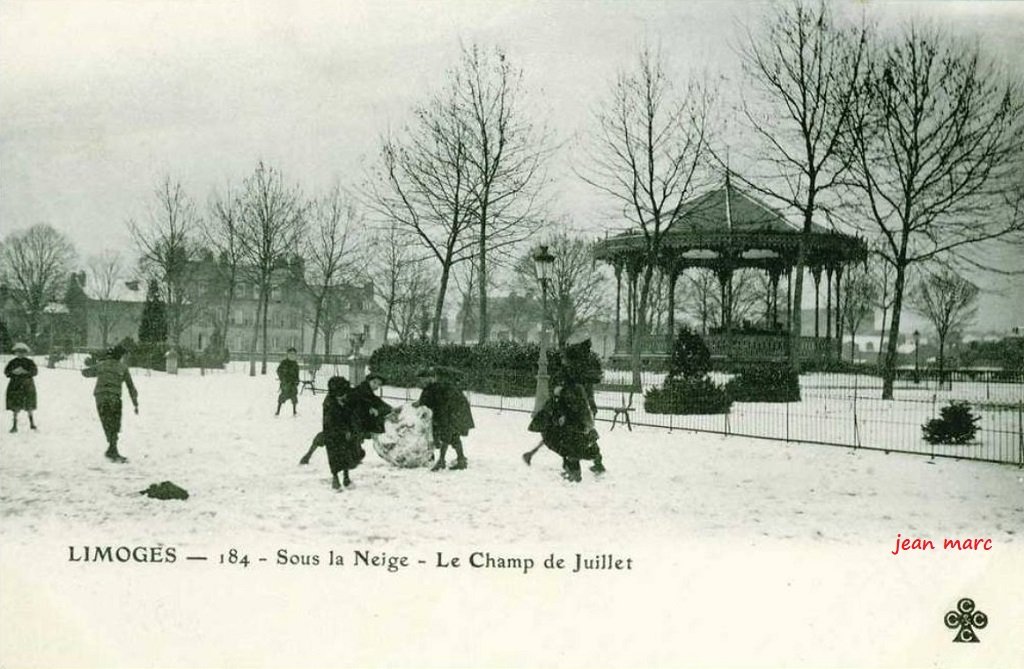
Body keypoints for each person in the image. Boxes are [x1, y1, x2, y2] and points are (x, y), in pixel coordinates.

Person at [528, 375, 601, 483]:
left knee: (571, 448)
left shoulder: (570, 394)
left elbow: (573, 410)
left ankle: (576, 474)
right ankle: (589, 465)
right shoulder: (575, 392)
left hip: (576, 428)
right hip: (578, 427)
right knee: (574, 447)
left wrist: (564, 418)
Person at [81, 344, 139, 463]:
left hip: (100, 396)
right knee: (115, 422)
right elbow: (130, 386)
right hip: (114, 397)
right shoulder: (123, 368)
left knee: (106, 421)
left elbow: (86, 373)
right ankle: (113, 449)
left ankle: (112, 448)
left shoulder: (102, 365)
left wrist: (89, 364)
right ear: (120, 356)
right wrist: (135, 403)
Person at [414, 367, 474, 471]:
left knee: (447, 434)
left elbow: (437, 405)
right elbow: (425, 401)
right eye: (419, 380)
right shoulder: (434, 387)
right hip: (456, 411)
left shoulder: (436, 387)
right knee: (453, 435)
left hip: (454, 412)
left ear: (430, 378)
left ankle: (442, 461)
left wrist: (442, 421)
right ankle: (461, 460)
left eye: (422, 379)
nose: (420, 382)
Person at [321, 376, 364, 490]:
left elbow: (350, 415)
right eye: (343, 394)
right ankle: (335, 479)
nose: (345, 395)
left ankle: (346, 477)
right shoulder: (329, 404)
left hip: (345, 433)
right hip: (332, 434)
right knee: (334, 456)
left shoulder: (344, 400)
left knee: (346, 454)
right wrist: (344, 430)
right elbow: (330, 422)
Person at [5, 342, 38, 433]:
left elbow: (34, 372)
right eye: (18, 352)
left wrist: (25, 372)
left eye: (22, 352)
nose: (20, 354)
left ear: (26, 353)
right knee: (15, 406)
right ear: (15, 353)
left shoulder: (30, 362)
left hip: (27, 385)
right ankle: (14, 425)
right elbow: (6, 373)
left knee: (29, 405)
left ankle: (32, 423)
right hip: (15, 387)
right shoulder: (12, 362)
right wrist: (13, 372)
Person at [275, 347, 300, 416]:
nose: (292, 355)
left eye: (294, 354)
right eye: (290, 354)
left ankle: (294, 411)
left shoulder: (295, 364)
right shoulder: (284, 363)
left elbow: (297, 374)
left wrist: (297, 381)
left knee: (294, 396)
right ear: (287, 355)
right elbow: (278, 371)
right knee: (283, 396)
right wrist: (282, 378)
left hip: (293, 383)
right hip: (285, 383)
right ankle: (278, 411)